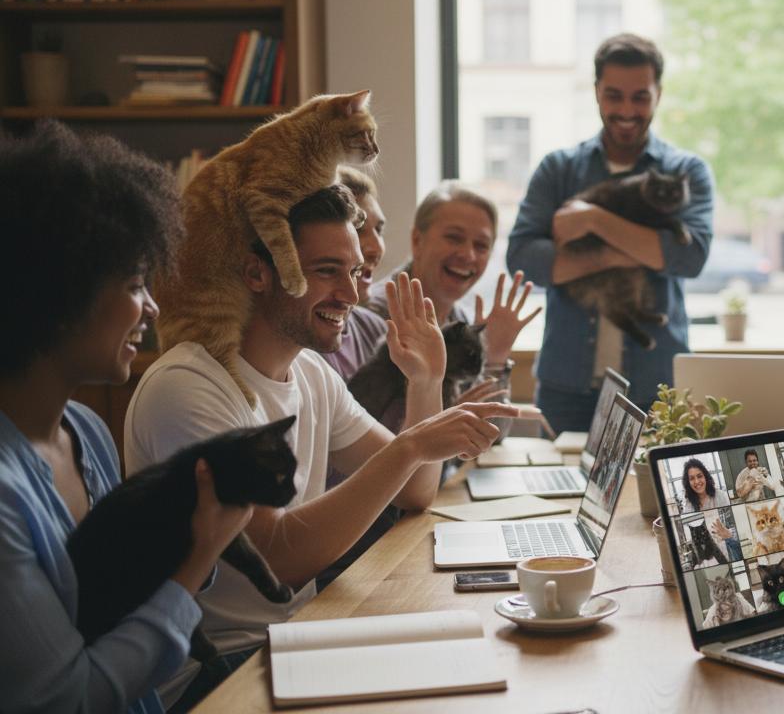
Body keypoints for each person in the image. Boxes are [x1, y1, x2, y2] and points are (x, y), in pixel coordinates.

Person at [124, 185, 518, 710]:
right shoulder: (190, 385)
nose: (352, 294)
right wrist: (408, 447)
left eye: (355, 273)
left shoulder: (310, 372)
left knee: (480, 665)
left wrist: (426, 380)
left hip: (294, 638)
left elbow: (418, 490)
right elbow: (278, 561)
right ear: (258, 273)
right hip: (215, 672)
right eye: (326, 271)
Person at [0, 121, 251, 714]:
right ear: (59, 295)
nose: (153, 307)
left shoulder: (85, 431)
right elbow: (71, 699)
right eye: (137, 284)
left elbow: (124, 593)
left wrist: (188, 537)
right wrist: (196, 560)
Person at [507, 33, 715, 430]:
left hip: (657, 391)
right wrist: (629, 250)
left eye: (640, 97)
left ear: (659, 94)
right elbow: (525, 260)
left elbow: (689, 258)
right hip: (565, 387)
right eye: (614, 95)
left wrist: (592, 221)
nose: (626, 109)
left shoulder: (686, 171)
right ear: (596, 92)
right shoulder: (558, 169)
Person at [367, 181, 538, 433]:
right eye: (454, 238)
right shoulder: (371, 316)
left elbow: (493, 433)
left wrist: (495, 358)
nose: (468, 255)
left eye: (481, 246)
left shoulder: (462, 321)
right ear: (417, 240)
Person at [319, 167, 389, 381]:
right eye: (358, 229)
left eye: (379, 230)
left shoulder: (375, 330)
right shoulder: (304, 341)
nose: (376, 249)